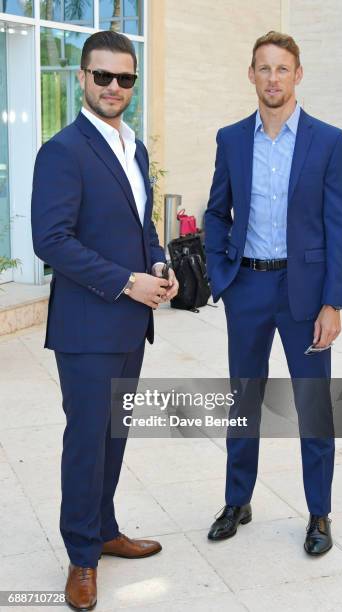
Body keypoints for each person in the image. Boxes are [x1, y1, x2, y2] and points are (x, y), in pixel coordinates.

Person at [31, 30, 178, 611]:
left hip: (129, 326)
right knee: (87, 442)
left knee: (114, 436)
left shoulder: (133, 148)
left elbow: (141, 226)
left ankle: (106, 529)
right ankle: (81, 558)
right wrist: (125, 281)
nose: (115, 87)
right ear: (82, 79)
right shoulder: (63, 151)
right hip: (88, 328)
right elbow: (51, 240)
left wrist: (159, 261)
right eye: (103, 76)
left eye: (126, 78)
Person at [204, 31, 342, 555]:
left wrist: (333, 302)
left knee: (314, 405)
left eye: (282, 69)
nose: (273, 78)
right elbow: (216, 211)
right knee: (243, 398)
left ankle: (318, 513)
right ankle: (237, 499)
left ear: (298, 75)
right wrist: (221, 273)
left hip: (305, 292)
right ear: (251, 75)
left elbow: (339, 226)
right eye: (263, 68)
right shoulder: (230, 138)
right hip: (247, 285)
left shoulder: (328, 140)